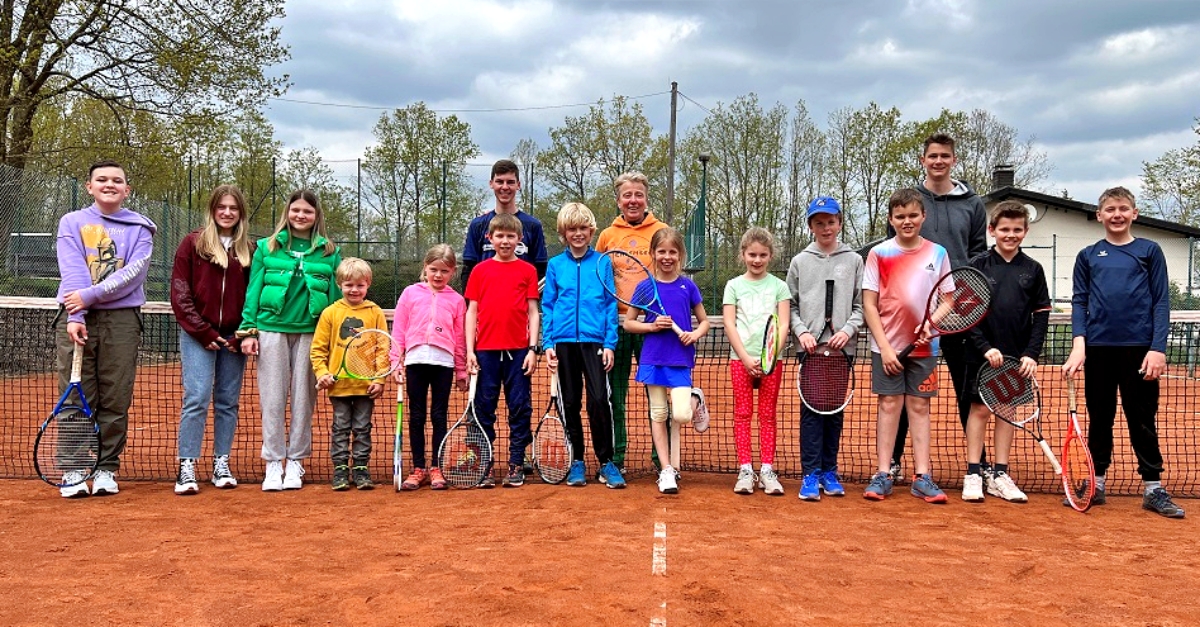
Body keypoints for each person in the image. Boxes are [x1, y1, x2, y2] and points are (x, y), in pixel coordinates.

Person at [1062, 187, 1185, 518]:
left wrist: (1157, 349)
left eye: (1123, 208)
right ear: (1099, 215)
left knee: (1141, 419)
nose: (1117, 214)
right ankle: (1097, 483)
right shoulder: (1088, 255)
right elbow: (1080, 301)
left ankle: (1153, 489)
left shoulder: (1149, 251)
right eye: (1110, 209)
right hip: (1099, 351)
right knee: (1100, 418)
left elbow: (1161, 301)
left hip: (1140, 351)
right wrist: (1079, 343)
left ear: (1134, 213)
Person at [54, 159, 156, 498]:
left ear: (127, 189)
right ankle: (71, 470)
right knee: (76, 396)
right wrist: (77, 314)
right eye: (102, 179)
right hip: (76, 318)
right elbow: (72, 271)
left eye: (117, 180)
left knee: (116, 397)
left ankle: (105, 469)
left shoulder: (141, 229)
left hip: (122, 321)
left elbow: (134, 274)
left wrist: (89, 295)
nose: (109, 184)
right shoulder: (72, 222)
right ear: (90, 186)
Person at [890, 133, 988, 482]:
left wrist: (965, 292)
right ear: (923, 160)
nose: (938, 161)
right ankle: (894, 462)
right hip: (915, 312)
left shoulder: (973, 204)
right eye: (933, 156)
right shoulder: (912, 202)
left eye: (945, 156)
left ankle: (980, 467)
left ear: (953, 160)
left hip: (959, 308)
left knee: (967, 385)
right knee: (907, 387)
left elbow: (978, 253)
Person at [239, 189, 342, 492]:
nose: (301, 216)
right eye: (296, 210)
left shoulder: (329, 251)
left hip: (313, 333)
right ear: (287, 212)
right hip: (272, 330)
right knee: (272, 400)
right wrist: (248, 330)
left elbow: (335, 299)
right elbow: (254, 290)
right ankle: (273, 463)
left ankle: (296, 461)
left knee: (303, 401)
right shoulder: (265, 248)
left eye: (307, 212)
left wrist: (333, 340)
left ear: (316, 216)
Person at [862, 188, 951, 504]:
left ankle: (923, 476)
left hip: (926, 348)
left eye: (913, 215)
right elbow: (869, 305)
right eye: (900, 216)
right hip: (886, 347)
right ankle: (883, 473)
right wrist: (885, 347)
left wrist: (932, 324)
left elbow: (948, 300)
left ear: (923, 216)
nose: (907, 221)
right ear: (891, 219)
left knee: (919, 407)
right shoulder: (879, 254)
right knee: (888, 406)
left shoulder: (938, 253)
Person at [961, 201, 1051, 503]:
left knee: (1007, 412)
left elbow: (1041, 315)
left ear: (1024, 232)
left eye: (1016, 230)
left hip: (1016, 358)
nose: (1010, 235)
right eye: (1004, 229)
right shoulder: (978, 266)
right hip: (982, 356)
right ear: (992, 230)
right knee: (979, 410)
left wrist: (1031, 354)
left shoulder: (1033, 270)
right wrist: (985, 348)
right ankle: (974, 473)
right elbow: (967, 315)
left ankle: (1000, 474)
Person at [169, 184, 254, 495]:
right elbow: (180, 292)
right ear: (213, 210)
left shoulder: (250, 250)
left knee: (228, 402)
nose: (227, 212)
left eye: (233, 208)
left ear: (240, 213)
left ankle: (221, 463)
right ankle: (187, 466)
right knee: (197, 398)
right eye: (222, 207)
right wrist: (203, 332)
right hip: (198, 336)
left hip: (234, 339)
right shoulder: (192, 243)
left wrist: (242, 333)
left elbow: (253, 297)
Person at [786, 197, 864, 501]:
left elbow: (862, 305)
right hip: (810, 351)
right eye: (819, 222)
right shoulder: (799, 262)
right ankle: (810, 474)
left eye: (831, 221)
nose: (826, 227)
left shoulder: (855, 260)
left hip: (842, 350)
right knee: (811, 411)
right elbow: (789, 305)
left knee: (834, 411)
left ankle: (829, 471)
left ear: (840, 222)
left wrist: (847, 330)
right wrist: (801, 332)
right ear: (811, 226)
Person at [541, 202, 624, 488]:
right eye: (572, 229)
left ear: (591, 231)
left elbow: (611, 304)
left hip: (595, 343)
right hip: (563, 344)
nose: (578, 234)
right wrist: (548, 343)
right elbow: (548, 305)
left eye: (583, 229)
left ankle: (606, 462)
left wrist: (610, 343)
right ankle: (577, 460)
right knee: (571, 402)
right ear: (564, 233)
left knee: (600, 400)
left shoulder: (602, 262)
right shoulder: (555, 266)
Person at [623, 228, 709, 494]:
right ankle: (666, 470)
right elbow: (628, 323)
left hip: (680, 358)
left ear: (680, 255)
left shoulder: (688, 286)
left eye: (673, 252)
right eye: (661, 251)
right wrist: (652, 326)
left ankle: (695, 398)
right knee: (658, 414)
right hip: (653, 358)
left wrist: (694, 334)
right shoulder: (644, 287)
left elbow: (704, 321)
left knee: (682, 414)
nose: (667, 257)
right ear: (653, 254)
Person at [595, 171, 669, 470]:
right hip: (617, 326)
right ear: (618, 200)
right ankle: (616, 457)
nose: (633, 200)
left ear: (646, 198)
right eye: (627, 195)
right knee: (616, 394)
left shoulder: (661, 230)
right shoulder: (607, 236)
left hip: (653, 327)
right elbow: (599, 277)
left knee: (658, 394)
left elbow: (671, 271)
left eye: (638, 194)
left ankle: (661, 459)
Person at [465, 213, 540, 488]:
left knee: (519, 408)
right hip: (485, 352)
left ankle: (516, 464)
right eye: (500, 236)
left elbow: (533, 311)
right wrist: (470, 350)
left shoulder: (528, 271)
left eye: (511, 236)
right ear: (490, 238)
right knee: (483, 409)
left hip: (519, 352)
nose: (505, 241)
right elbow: (471, 311)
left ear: (519, 240)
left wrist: (532, 348)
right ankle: (484, 466)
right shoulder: (479, 271)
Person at [391, 244, 468, 491]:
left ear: (452, 272)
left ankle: (437, 467)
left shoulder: (457, 301)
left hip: (443, 365)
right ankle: (418, 468)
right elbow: (399, 330)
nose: (437, 275)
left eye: (444, 271)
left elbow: (459, 338)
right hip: (414, 362)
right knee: (416, 416)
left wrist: (461, 370)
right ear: (425, 267)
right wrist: (396, 362)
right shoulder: (410, 293)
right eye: (433, 269)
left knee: (438, 415)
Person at [723, 227, 791, 496]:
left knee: (768, 415)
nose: (757, 260)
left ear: (770, 256)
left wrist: (769, 357)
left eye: (763, 255)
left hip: (771, 363)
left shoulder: (779, 286)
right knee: (742, 413)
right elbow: (729, 323)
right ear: (743, 255)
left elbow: (783, 323)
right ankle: (745, 470)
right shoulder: (733, 286)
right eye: (752, 254)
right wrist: (745, 356)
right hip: (740, 361)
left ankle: (766, 470)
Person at [311, 258, 388, 491]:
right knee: (341, 427)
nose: (354, 290)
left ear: (368, 285)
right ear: (340, 285)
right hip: (339, 385)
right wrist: (322, 373)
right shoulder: (330, 313)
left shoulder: (375, 312)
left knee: (363, 427)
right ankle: (341, 469)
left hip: (365, 386)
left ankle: (361, 469)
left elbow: (383, 347)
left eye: (360, 285)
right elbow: (318, 348)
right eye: (348, 285)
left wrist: (379, 379)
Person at [461, 159, 549, 290]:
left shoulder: (532, 225)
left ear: (518, 185)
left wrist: (526, 301)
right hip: (486, 307)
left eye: (510, 182)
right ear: (491, 184)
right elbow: (468, 269)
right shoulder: (478, 225)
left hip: (519, 307)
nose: (505, 187)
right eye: (500, 181)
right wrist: (473, 305)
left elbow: (540, 270)